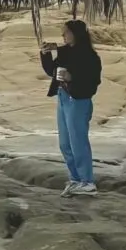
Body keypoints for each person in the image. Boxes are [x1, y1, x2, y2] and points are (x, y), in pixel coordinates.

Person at [39, 20, 103, 194]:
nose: (63, 35)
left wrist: (72, 78)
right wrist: (45, 54)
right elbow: (51, 70)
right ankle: (75, 179)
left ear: (76, 34)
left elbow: (93, 81)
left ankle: (87, 181)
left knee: (78, 141)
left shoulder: (90, 56)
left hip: (78, 101)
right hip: (63, 98)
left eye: (66, 32)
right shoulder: (65, 52)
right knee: (65, 143)